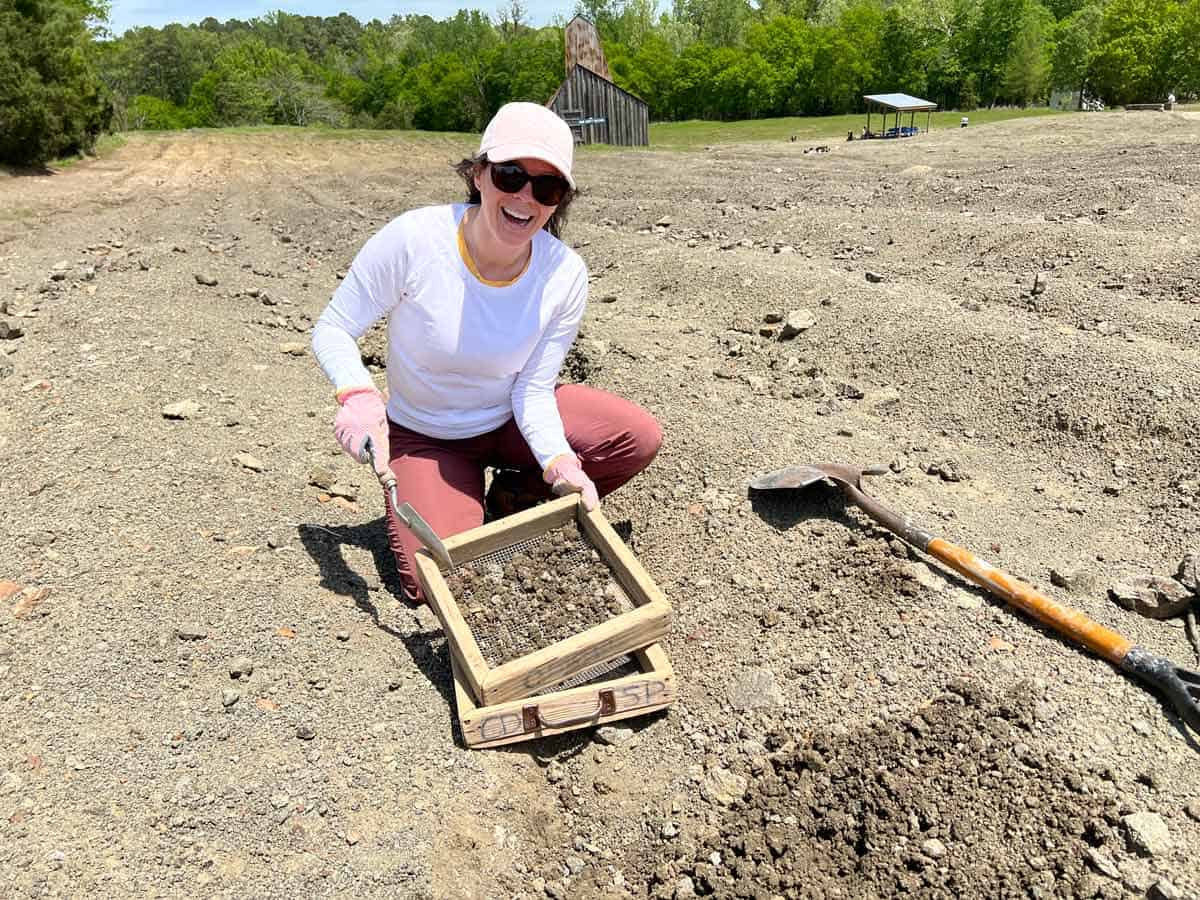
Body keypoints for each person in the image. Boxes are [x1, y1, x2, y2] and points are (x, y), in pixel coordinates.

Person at [311, 102, 662, 603]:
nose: (525, 197)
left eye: (547, 187)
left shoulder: (564, 274)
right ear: (479, 175)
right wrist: (360, 395)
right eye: (511, 175)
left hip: (508, 419)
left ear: (559, 200)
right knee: (438, 581)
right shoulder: (415, 241)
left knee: (636, 437)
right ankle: (453, 494)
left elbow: (534, 388)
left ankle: (518, 497)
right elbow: (333, 328)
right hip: (427, 435)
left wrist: (560, 464)